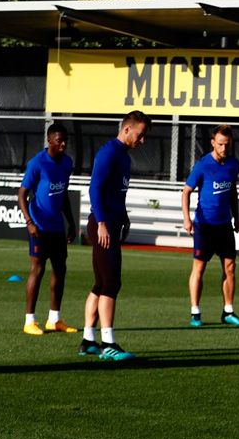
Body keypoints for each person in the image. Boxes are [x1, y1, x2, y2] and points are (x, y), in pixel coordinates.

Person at [79, 111, 150, 361]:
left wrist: (124, 217)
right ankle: (108, 343)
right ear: (127, 129)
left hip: (111, 223)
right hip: (103, 226)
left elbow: (116, 194)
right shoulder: (109, 152)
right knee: (111, 284)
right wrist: (101, 223)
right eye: (140, 135)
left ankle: (88, 340)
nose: (142, 141)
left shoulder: (123, 156)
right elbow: (94, 189)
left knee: (101, 284)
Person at [182, 125, 239, 328]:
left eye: (227, 144)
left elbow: (233, 192)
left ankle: (228, 311)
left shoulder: (233, 165)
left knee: (230, 267)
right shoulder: (202, 166)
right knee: (199, 268)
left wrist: (236, 217)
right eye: (220, 144)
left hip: (224, 226)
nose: (224, 148)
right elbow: (186, 191)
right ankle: (195, 312)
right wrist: (187, 219)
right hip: (205, 226)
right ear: (212, 142)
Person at [18, 122, 78, 336]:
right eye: (60, 140)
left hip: (57, 227)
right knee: (38, 269)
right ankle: (29, 321)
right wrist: (29, 222)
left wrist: (70, 222)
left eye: (66, 140)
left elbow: (62, 196)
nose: (63, 144)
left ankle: (54, 319)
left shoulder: (67, 163)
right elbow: (22, 194)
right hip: (39, 226)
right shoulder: (37, 163)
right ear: (49, 140)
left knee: (60, 269)